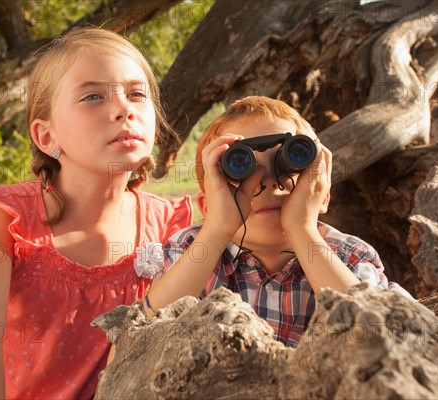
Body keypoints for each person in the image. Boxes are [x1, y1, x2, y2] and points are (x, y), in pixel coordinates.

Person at [0, 27, 192, 399]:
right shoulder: (6, 217)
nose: (123, 109)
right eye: (93, 96)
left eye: (137, 94)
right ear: (47, 137)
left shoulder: (172, 226)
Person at [146, 96, 413, 347]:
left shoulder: (349, 257)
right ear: (207, 208)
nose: (270, 181)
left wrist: (302, 230)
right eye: (240, 164)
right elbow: (140, 342)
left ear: (322, 194)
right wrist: (217, 229)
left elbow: (386, 342)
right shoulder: (190, 249)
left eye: (290, 160)